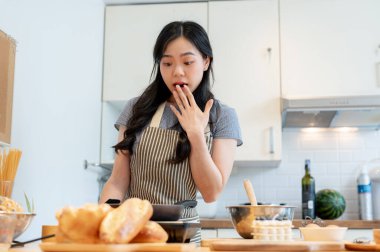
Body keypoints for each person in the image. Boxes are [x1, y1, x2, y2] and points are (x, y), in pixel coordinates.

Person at [99, 21, 242, 243]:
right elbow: (118, 181)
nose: (177, 72)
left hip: (183, 238)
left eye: (187, 62)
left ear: (206, 61)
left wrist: (195, 133)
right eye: (167, 63)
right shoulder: (136, 109)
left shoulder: (222, 116)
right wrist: (104, 221)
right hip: (134, 234)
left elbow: (211, 192)